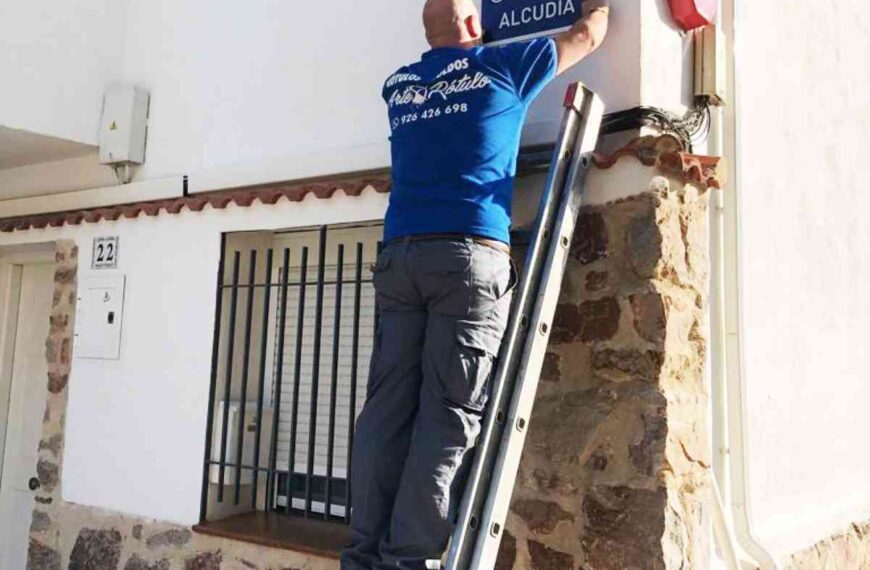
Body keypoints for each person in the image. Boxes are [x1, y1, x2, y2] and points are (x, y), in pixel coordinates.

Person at [341, 1, 609, 568]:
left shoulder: (400, 87)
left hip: (402, 256)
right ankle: (407, 559)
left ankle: (363, 554)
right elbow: (587, 35)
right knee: (447, 413)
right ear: (471, 24)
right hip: (466, 258)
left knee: (386, 410)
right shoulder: (502, 66)